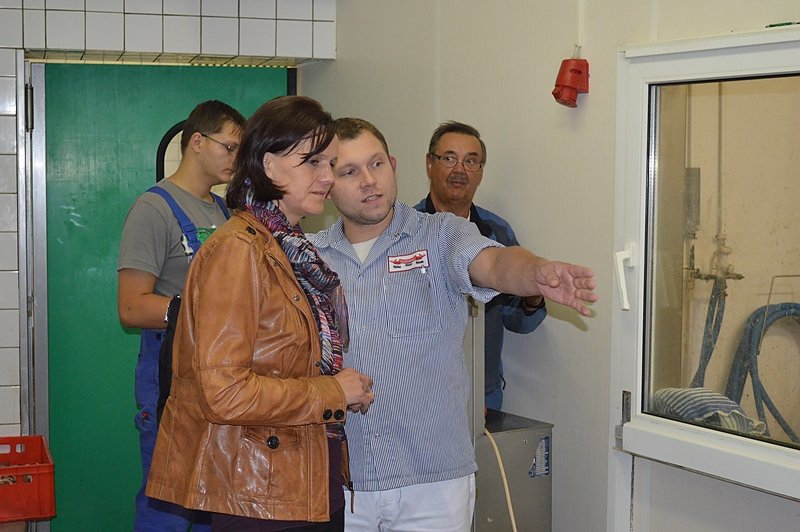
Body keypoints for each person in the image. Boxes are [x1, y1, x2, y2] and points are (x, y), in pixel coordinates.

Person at [309, 117, 596, 531]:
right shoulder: (308, 257)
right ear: (326, 181)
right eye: (349, 171)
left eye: (376, 165)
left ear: (392, 164)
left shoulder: (440, 234)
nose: (369, 181)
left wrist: (537, 272)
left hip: (435, 483)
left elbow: (494, 261)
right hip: (342, 482)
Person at [145, 95, 375, 532]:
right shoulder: (240, 250)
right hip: (258, 495)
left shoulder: (289, 247)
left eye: (330, 163)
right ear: (268, 165)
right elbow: (224, 392)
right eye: (312, 163)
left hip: (298, 478)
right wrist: (331, 392)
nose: (327, 177)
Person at [118, 99, 246, 531]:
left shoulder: (224, 212)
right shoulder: (154, 209)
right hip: (169, 369)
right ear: (196, 142)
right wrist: (196, 312)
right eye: (230, 148)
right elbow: (132, 306)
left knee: (212, 495)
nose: (236, 158)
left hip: (217, 372)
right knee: (167, 499)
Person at [415, 121, 546, 411]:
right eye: (449, 158)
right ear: (429, 164)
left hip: (484, 396)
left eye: (471, 161)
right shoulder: (404, 233)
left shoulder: (497, 232)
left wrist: (533, 295)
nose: (459, 170)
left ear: (481, 172)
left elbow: (516, 320)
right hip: (420, 396)